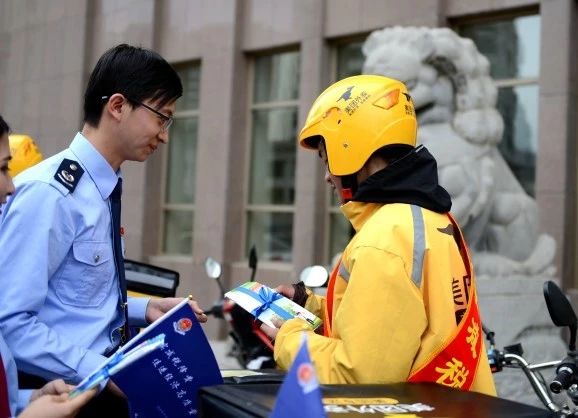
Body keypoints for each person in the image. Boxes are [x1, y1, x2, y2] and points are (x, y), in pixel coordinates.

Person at [0, 44, 207, 415]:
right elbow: (11, 322)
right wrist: (101, 370)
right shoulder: (50, 194)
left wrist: (145, 308)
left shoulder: (103, 187)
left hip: (100, 385)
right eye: (161, 118)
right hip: (59, 396)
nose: (164, 135)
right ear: (117, 106)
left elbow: (75, 298)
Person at [261, 75, 496, 395]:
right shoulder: (432, 218)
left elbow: (360, 378)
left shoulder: (384, 240)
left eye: (327, 159)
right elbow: (399, 325)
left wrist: (288, 338)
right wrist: (309, 305)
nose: (327, 176)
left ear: (351, 148)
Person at [0, 114, 96, 417]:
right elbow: (13, 319)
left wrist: (28, 399)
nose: (11, 187)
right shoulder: (47, 192)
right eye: (2, 169)